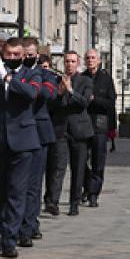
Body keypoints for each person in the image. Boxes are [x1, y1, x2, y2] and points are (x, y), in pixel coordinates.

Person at [0, 37, 41, 259]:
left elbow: (31, 94)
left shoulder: (31, 73)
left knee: (16, 192)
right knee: (0, 193)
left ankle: (10, 241)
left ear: (23, 56)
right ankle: (3, 235)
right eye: (8, 55)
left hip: (22, 142)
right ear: (2, 54)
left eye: (16, 55)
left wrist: (7, 78)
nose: (11, 58)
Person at [18, 39, 57, 248]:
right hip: (18, 132)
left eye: (31, 53)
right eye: (24, 53)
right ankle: (17, 224)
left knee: (33, 184)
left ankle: (29, 225)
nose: (27, 57)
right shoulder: (14, 72)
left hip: (39, 133)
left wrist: (28, 83)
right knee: (17, 184)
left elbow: (48, 93)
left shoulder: (47, 75)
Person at [44, 51, 93, 217]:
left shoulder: (85, 81)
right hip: (61, 129)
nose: (69, 64)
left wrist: (71, 90)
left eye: (72, 61)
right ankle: (53, 202)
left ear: (78, 63)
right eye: (67, 61)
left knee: (78, 168)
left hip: (79, 130)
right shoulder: (57, 80)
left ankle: (74, 203)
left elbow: (84, 103)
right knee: (58, 167)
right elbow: (50, 104)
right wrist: (59, 93)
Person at [82, 49, 116, 208]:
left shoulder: (106, 79)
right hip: (82, 123)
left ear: (99, 60)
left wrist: (94, 99)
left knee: (98, 160)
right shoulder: (81, 78)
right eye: (88, 58)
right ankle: (88, 185)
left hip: (100, 123)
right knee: (81, 159)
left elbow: (110, 103)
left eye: (93, 58)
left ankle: (93, 193)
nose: (90, 60)